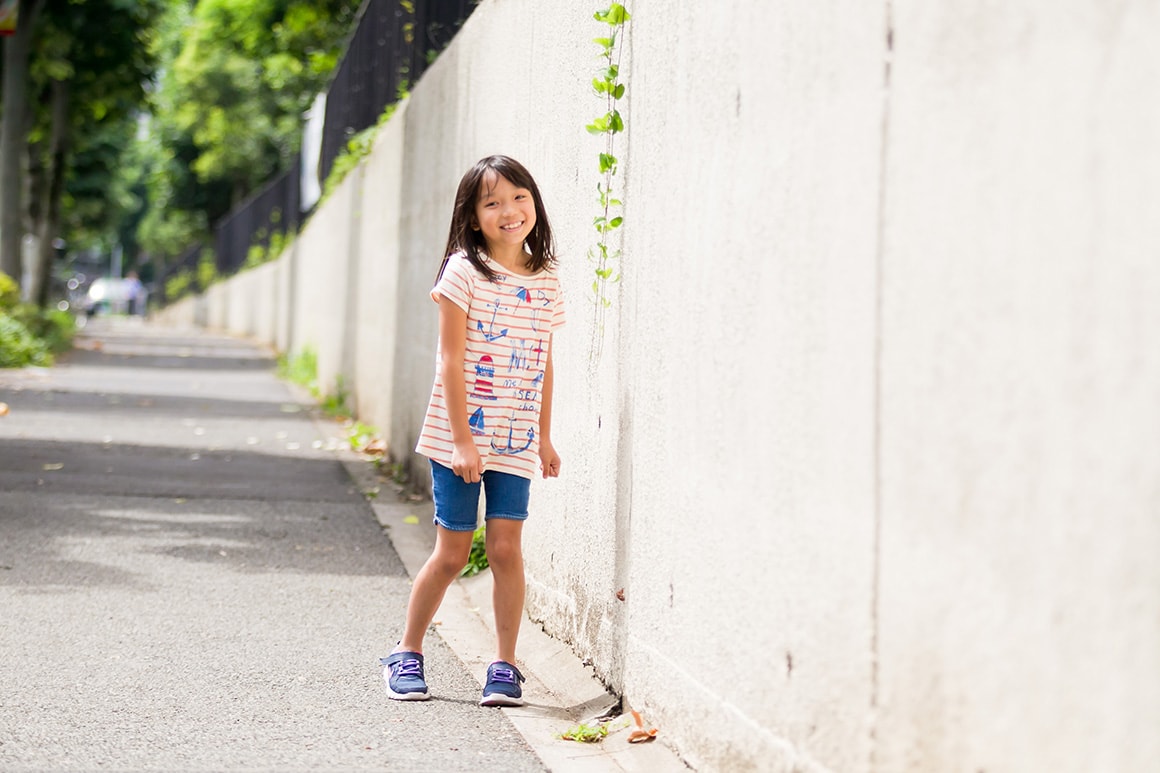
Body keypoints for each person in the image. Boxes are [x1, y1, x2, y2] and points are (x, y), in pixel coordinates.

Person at [382, 155, 565, 706]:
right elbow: (451, 361)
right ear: (473, 215)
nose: (509, 211)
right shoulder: (463, 271)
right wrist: (462, 439)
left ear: (534, 201)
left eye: (519, 198)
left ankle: (505, 666)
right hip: (456, 437)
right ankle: (407, 651)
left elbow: (543, 361)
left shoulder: (549, 277)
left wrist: (545, 435)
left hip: (514, 440)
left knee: (507, 549)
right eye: (493, 203)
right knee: (453, 553)